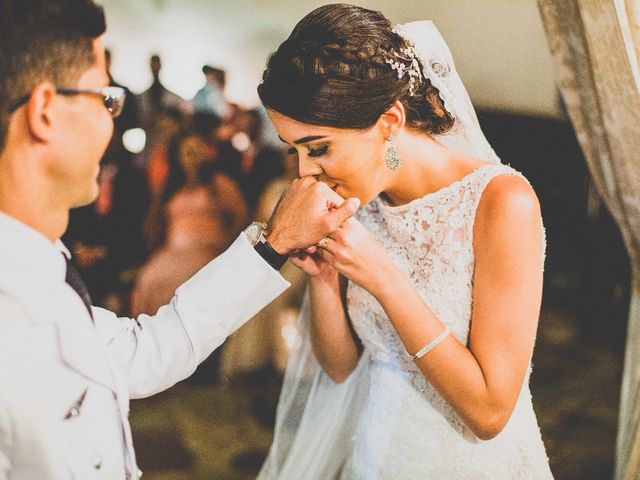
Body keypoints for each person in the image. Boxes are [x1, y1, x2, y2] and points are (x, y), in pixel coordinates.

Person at [0, 1, 359, 479]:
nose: (113, 122)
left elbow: (144, 353)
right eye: (105, 99)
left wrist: (272, 244)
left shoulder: (39, 261)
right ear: (45, 111)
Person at [257, 4, 553, 479]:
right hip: (375, 454)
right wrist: (326, 280)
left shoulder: (501, 203)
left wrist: (386, 280)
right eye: (293, 151)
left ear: (390, 122)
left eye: (318, 148)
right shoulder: (362, 201)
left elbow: (490, 413)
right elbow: (341, 369)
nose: (305, 172)